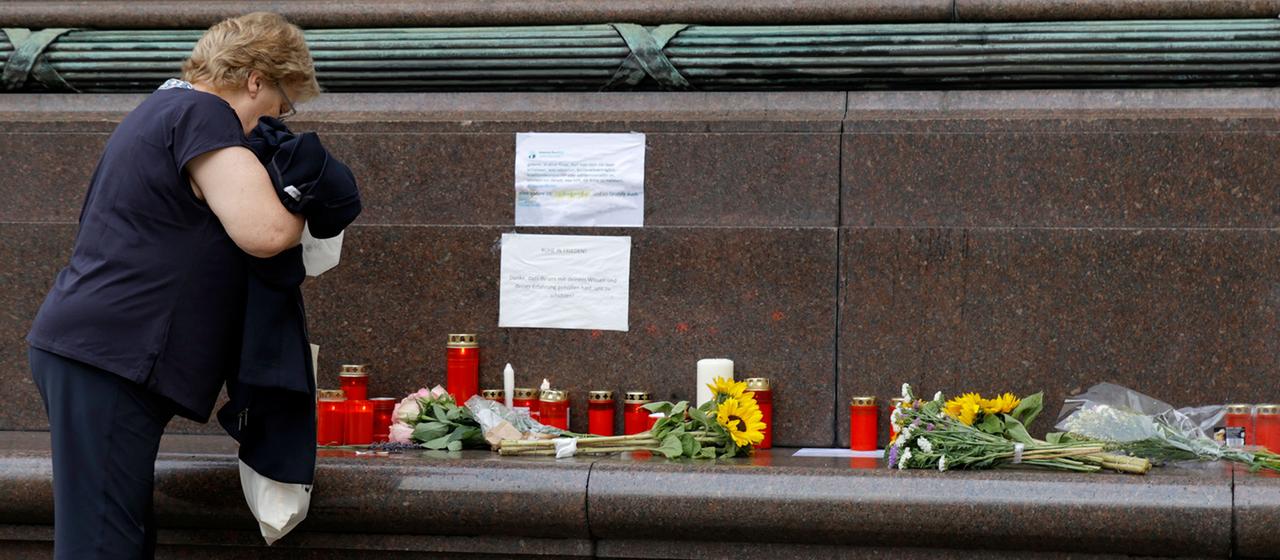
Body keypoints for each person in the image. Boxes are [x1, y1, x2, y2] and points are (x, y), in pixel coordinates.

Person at [25, 12, 320, 559]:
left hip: (98, 350)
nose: (267, 127)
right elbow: (266, 231)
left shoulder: (166, 109)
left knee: (118, 533)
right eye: (278, 106)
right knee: (103, 545)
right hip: (110, 356)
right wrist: (316, 205)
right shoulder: (202, 112)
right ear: (255, 78)